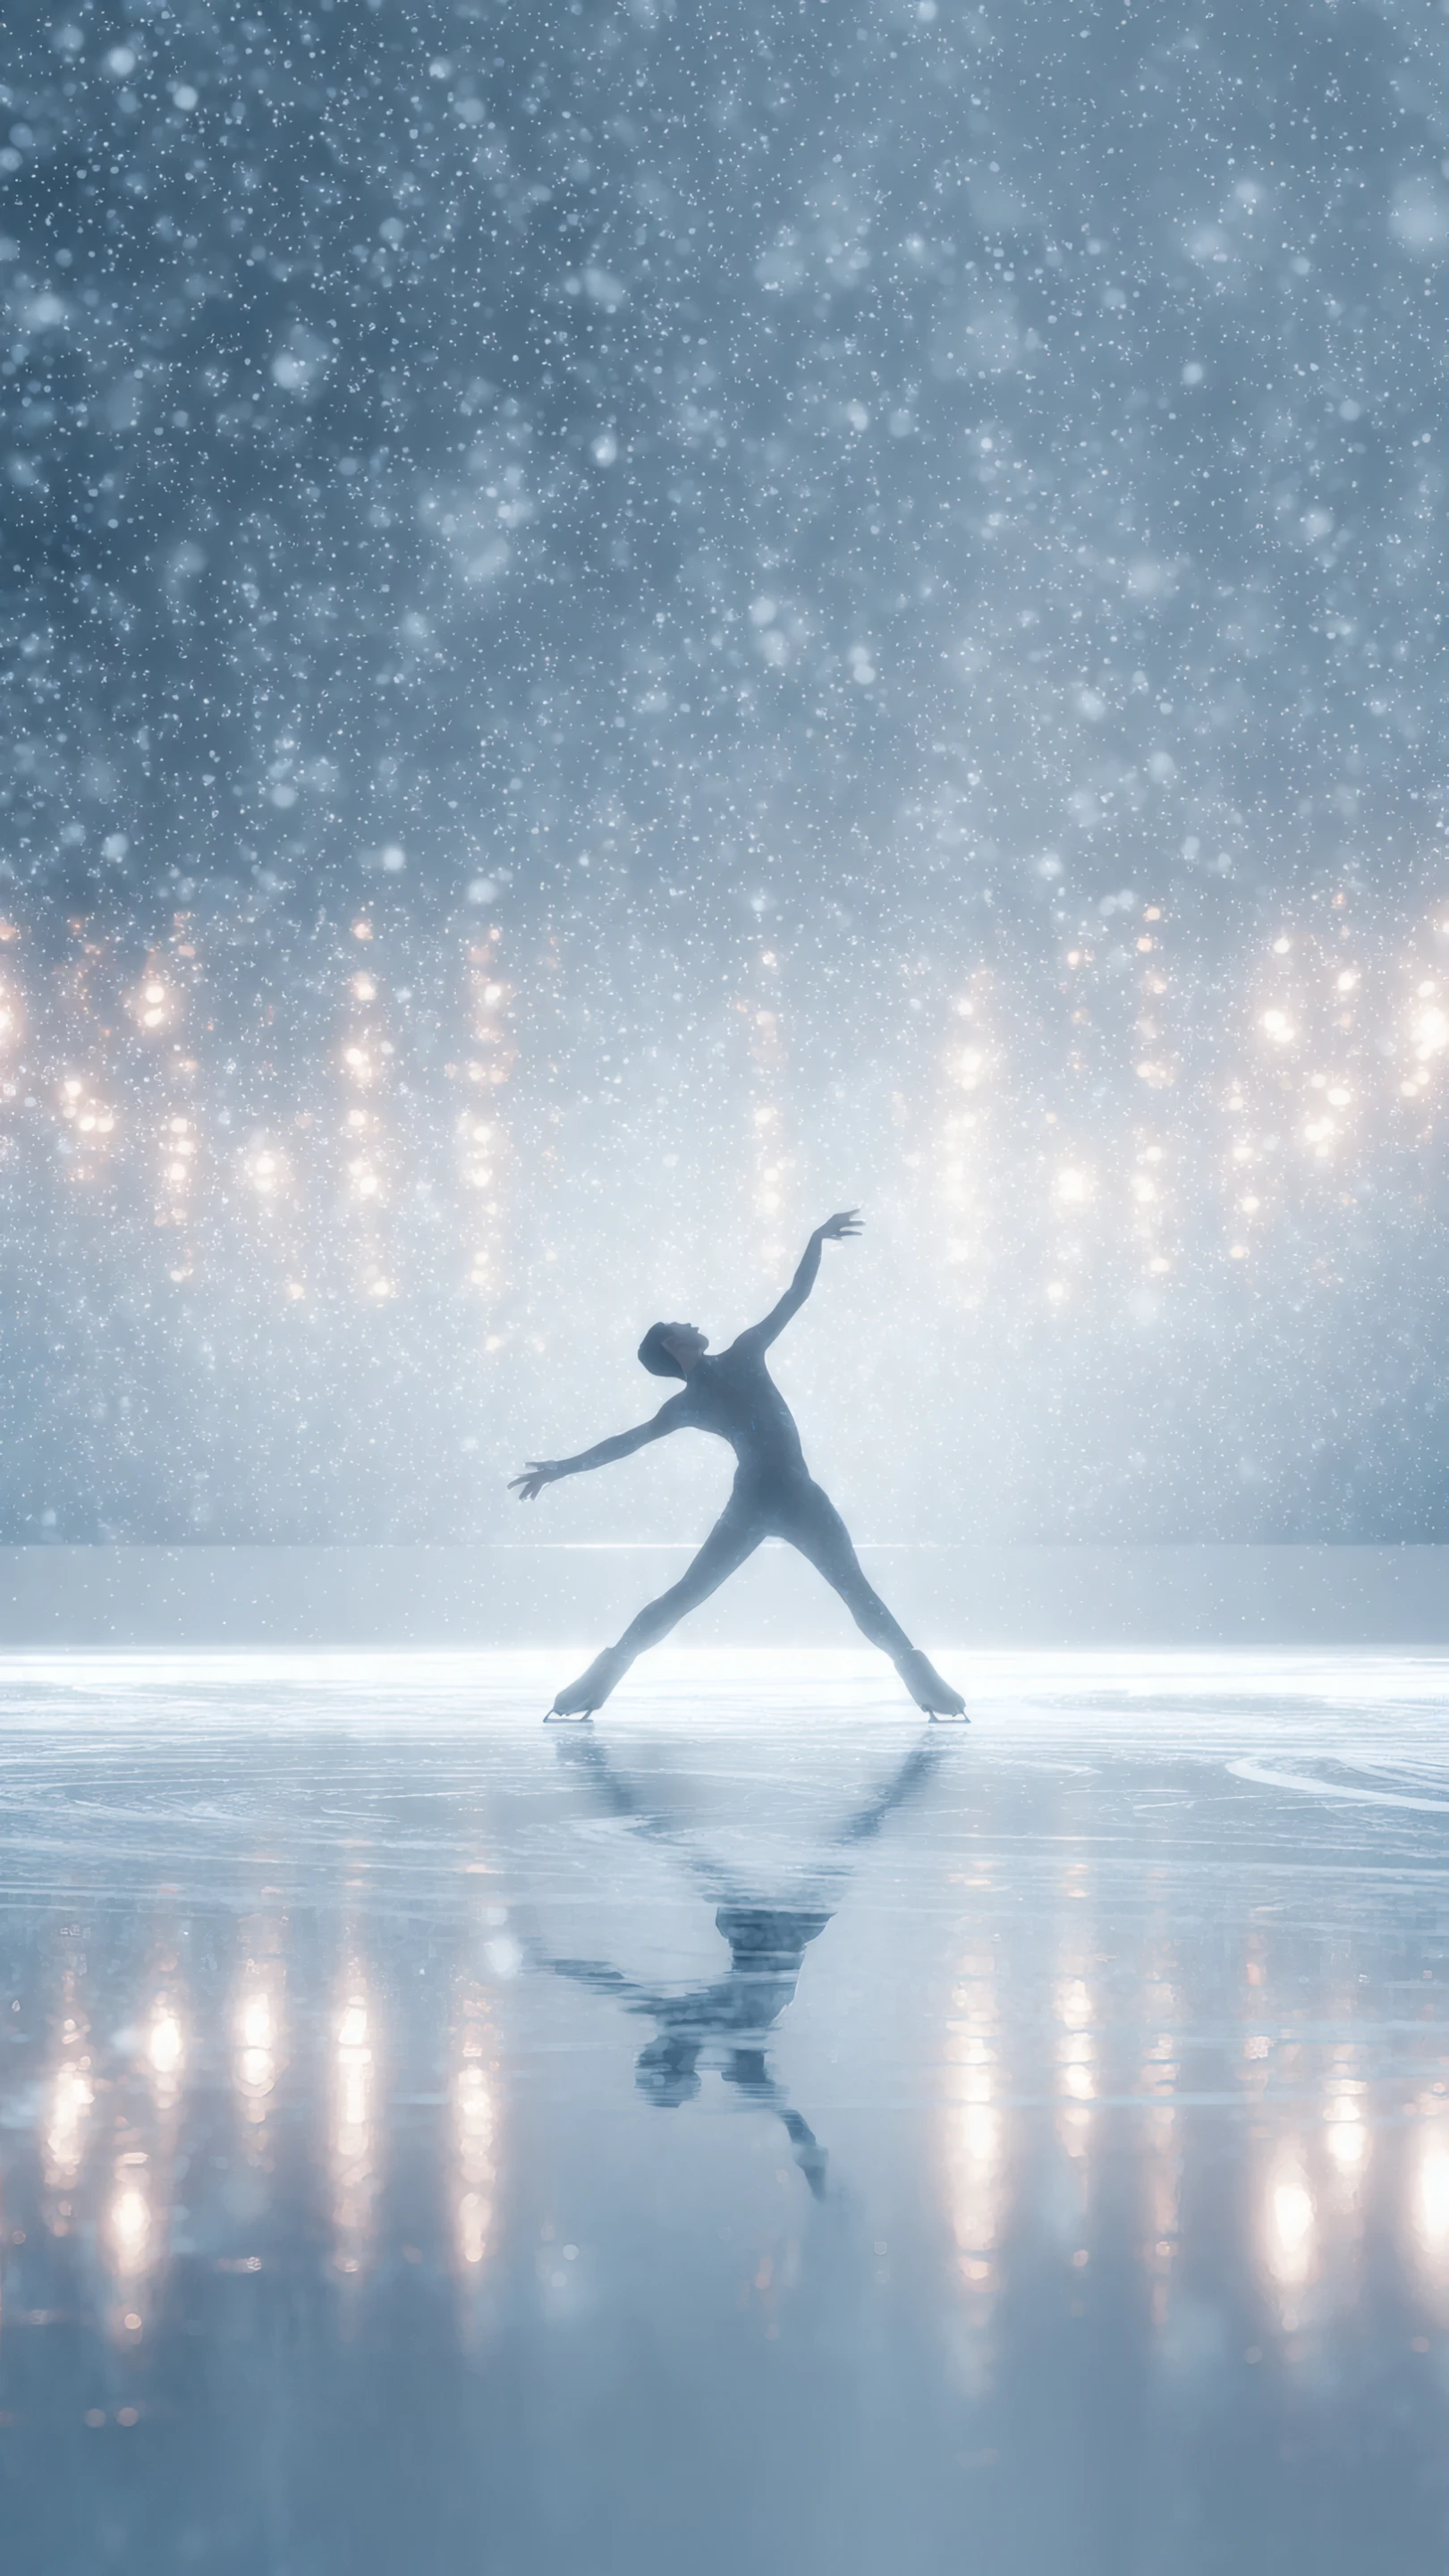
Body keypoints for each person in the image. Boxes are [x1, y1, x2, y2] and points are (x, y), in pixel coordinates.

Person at [509, 1212, 967, 1719]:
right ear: (671, 1344)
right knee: (835, 1592)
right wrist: (560, 1469)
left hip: (766, 1500)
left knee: (817, 1592)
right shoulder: (720, 1375)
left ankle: (604, 1674)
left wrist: (814, 1240)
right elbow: (625, 1443)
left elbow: (796, 1295)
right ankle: (602, 1676)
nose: (695, 1323)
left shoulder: (724, 1373)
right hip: (782, 1498)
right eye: (683, 1325)